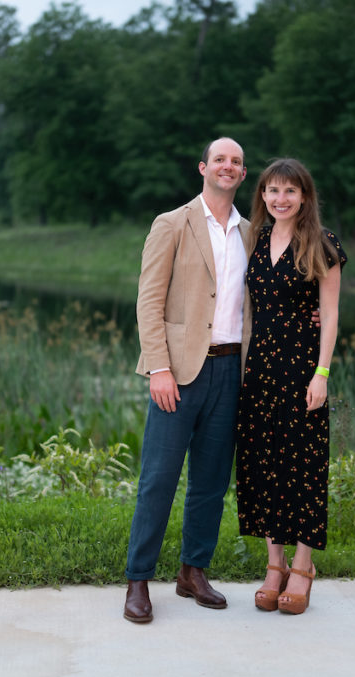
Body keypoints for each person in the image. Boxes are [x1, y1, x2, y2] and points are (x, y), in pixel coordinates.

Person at [124, 137, 253, 623]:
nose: (228, 166)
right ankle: (138, 579)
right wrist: (158, 367)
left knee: (211, 482)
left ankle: (192, 571)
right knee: (158, 479)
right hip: (178, 372)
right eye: (220, 159)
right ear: (204, 168)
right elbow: (148, 301)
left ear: (243, 175)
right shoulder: (171, 224)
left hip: (229, 370)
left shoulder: (250, 230)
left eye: (236, 162)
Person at [236, 158, 347, 615]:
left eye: (290, 192)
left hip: (302, 370)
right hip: (259, 369)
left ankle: (303, 567)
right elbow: (246, 308)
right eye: (272, 191)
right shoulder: (255, 242)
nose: (280, 199)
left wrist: (321, 374)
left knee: (302, 464)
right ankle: (274, 566)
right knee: (263, 463)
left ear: (305, 197)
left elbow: (331, 314)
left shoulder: (322, 245)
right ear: (262, 196)